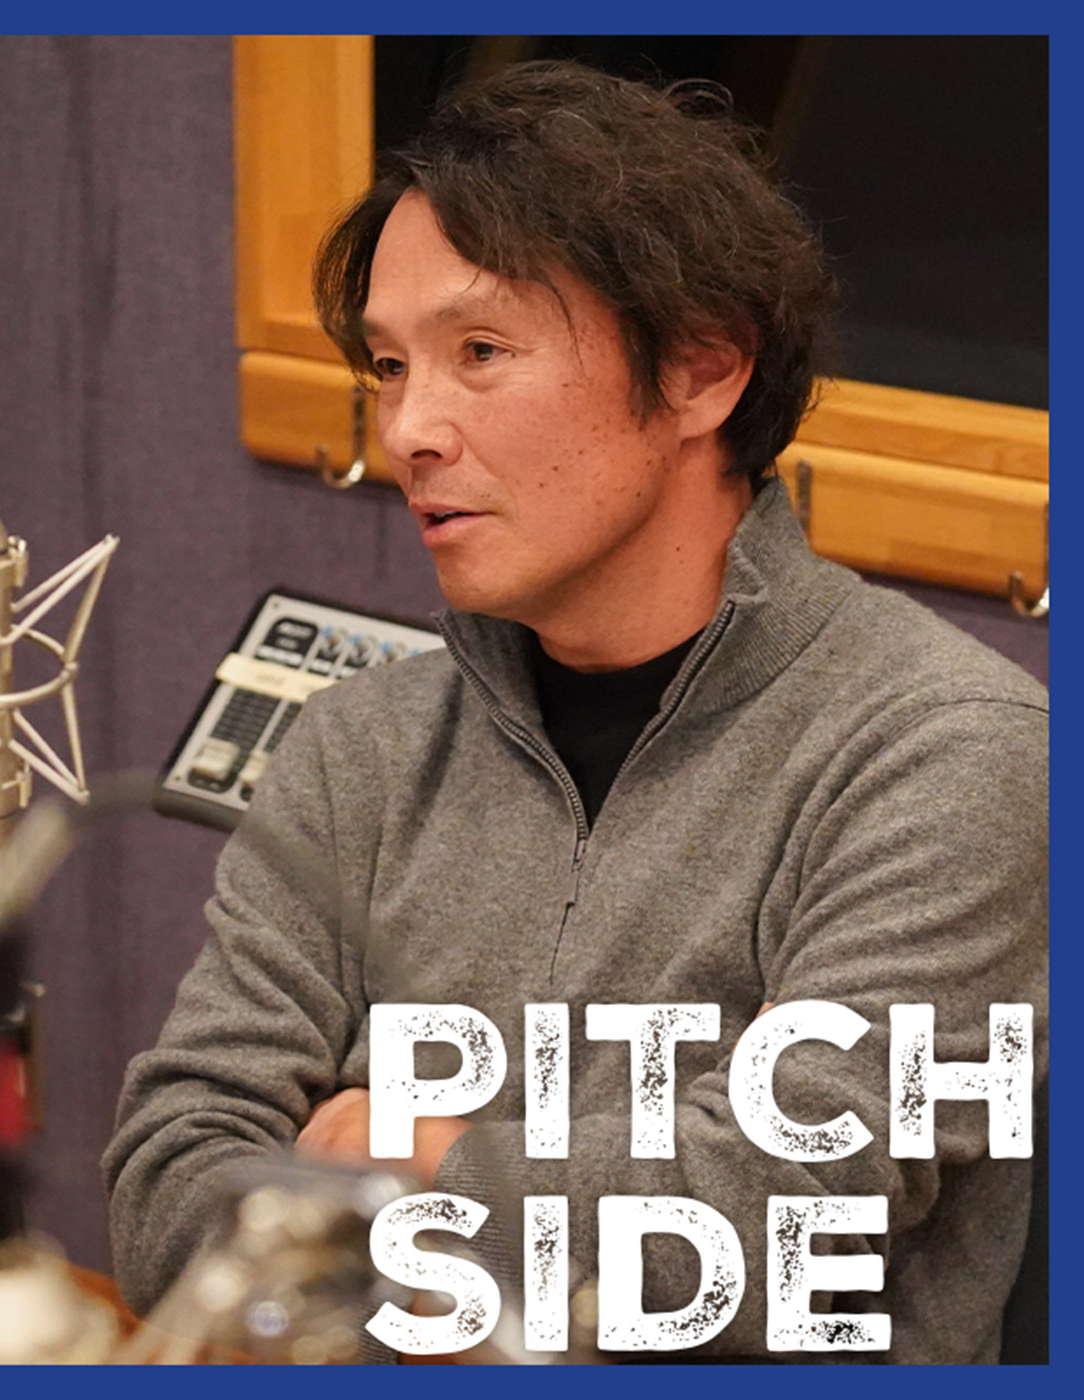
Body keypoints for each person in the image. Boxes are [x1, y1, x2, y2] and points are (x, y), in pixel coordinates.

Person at [103, 61, 1047, 1363]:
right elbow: (168, 1183)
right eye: (389, 366)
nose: (409, 429)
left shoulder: (954, 752)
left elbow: (780, 1226)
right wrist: (517, 1208)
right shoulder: (357, 749)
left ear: (703, 371)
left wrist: (410, 1156)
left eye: (481, 353)